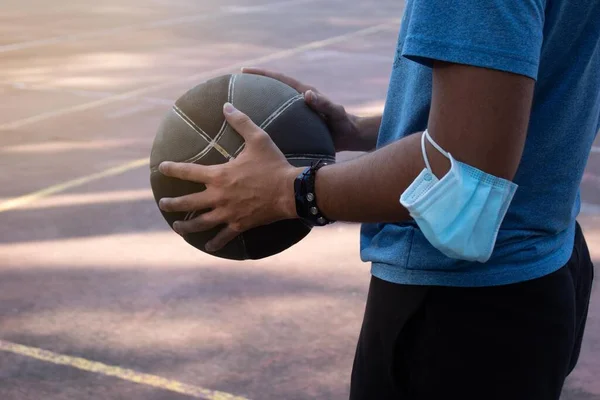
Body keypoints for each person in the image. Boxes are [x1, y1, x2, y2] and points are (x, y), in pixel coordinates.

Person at [157, 0, 598, 398]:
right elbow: (508, 113)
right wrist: (360, 129)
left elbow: (462, 176)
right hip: (544, 269)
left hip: (461, 311)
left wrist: (292, 191)